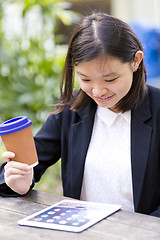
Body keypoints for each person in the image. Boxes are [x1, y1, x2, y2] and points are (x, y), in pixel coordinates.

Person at [0, 12, 160, 217]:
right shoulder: (71, 109)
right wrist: (18, 180)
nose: (98, 91)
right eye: (86, 79)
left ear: (136, 61)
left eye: (110, 80)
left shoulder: (156, 108)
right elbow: (27, 167)